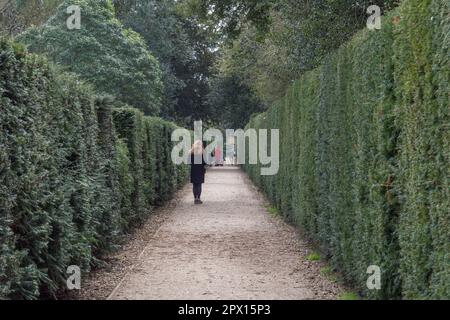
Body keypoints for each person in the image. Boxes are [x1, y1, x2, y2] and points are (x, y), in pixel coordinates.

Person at [190, 140, 206, 204]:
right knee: (199, 184)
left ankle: (195, 199)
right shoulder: (202, 152)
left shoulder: (191, 152)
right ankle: (198, 198)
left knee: (194, 184)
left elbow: (188, 162)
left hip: (193, 170)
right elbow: (205, 162)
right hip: (200, 170)